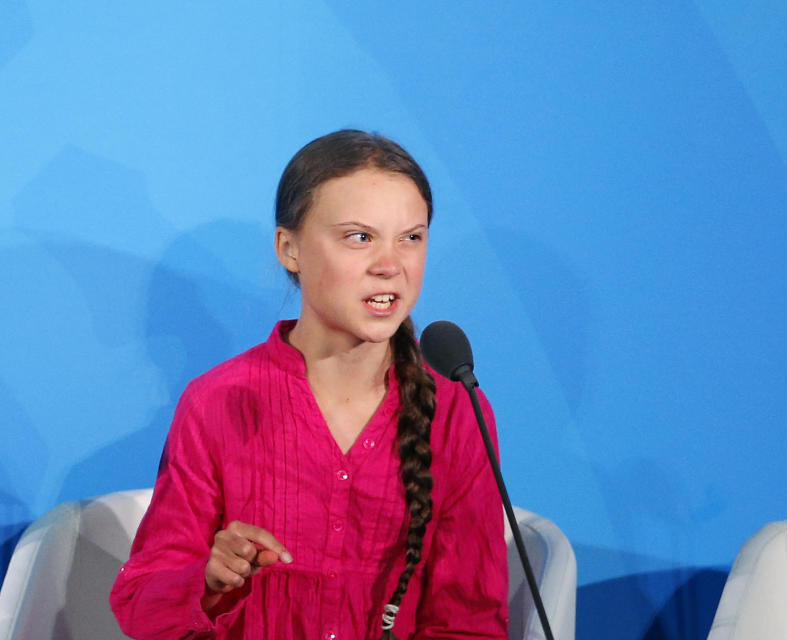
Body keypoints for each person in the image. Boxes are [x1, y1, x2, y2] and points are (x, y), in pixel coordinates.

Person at [110, 130, 509, 639]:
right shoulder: (216, 402)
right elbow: (141, 605)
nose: (391, 265)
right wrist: (209, 582)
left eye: (411, 237)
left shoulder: (456, 412)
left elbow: (469, 623)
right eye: (359, 237)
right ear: (289, 248)